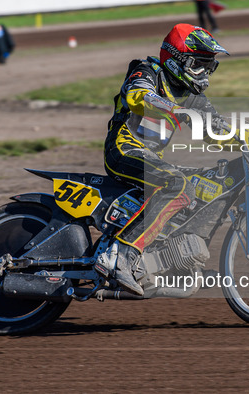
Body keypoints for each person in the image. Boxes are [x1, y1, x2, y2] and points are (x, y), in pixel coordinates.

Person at [95, 24, 229, 296]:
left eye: (208, 66)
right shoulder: (146, 71)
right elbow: (138, 97)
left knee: (207, 183)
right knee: (177, 184)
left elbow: (218, 132)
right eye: (198, 65)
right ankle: (120, 255)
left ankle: (173, 261)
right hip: (124, 149)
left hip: (151, 158)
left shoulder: (193, 97)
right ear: (176, 59)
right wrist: (174, 110)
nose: (204, 73)